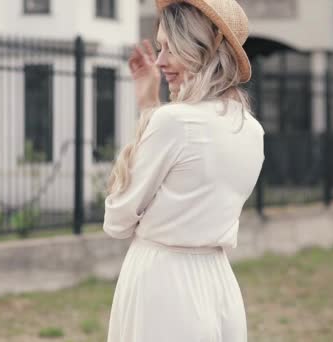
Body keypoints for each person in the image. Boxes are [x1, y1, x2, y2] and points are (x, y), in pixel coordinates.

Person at [102, 0, 264, 341]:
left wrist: (149, 109)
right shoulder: (251, 130)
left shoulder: (173, 122)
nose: (159, 61)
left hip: (162, 284)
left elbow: (117, 219)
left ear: (199, 50)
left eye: (169, 48)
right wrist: (151, 104)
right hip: (219, 284)